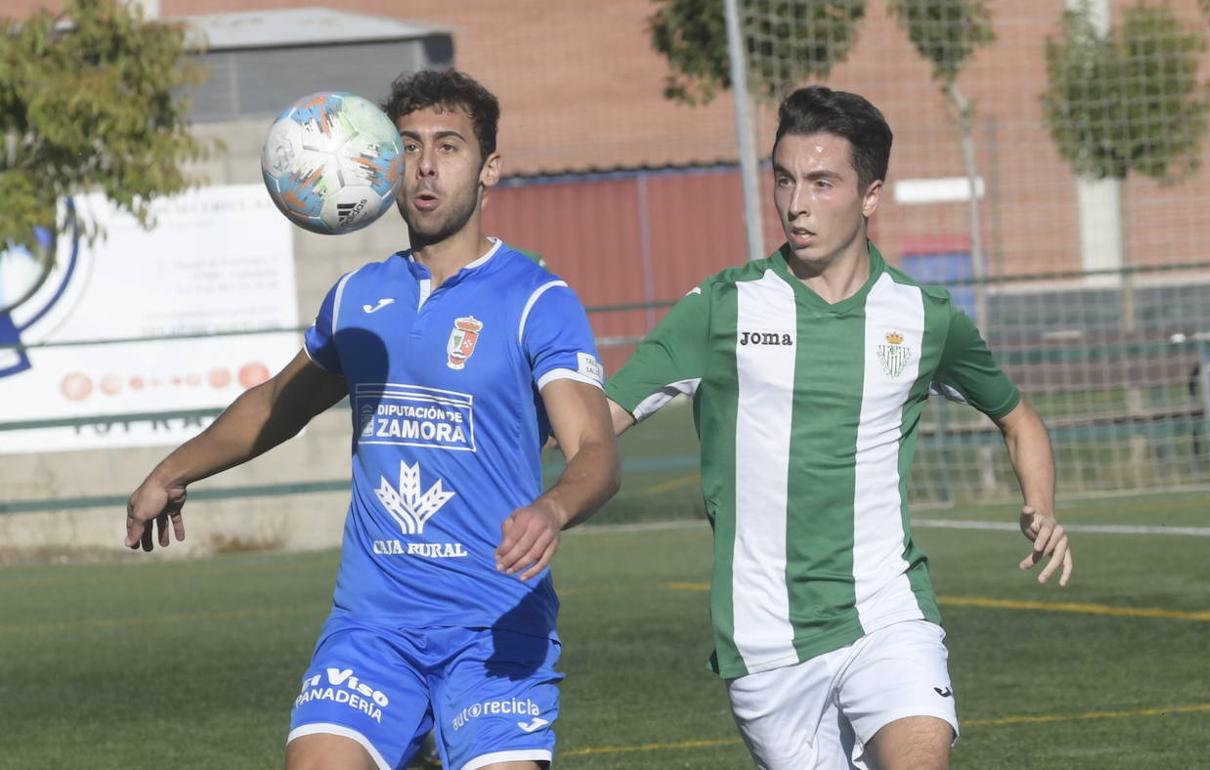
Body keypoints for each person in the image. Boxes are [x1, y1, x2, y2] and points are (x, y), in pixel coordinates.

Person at [125, 69, 620, 770]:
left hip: (493, 627)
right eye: (409, 146)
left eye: (448, 147)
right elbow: (274, 406)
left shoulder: (538, 299)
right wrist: (171, 471)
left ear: (489, 169)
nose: (424, 165)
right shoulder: (359, 296)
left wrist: (553, 508)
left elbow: (596, 449)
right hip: (373, 626)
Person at [602, 87, 1073, 770]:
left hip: (887, 613)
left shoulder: (924, 317)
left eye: (823, 183)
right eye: (785, 180)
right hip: (765, 644)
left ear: (871, 194)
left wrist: (1043, 505)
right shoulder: (721, 308)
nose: (796, 204)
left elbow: (1017, 416)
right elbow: (595, 422)